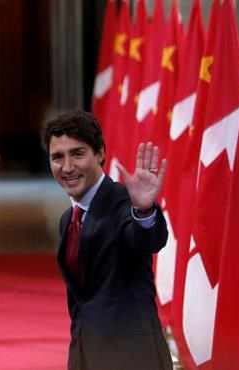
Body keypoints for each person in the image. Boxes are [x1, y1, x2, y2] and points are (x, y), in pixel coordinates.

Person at [43, 109, 172, 370]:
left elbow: (148, 238)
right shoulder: (68, 219)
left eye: (77, 154)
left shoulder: (125, 203)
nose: (67, 167)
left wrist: (145, 211)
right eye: (58, 157)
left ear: (100, 153)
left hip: (133, 358)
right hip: (87, 356)